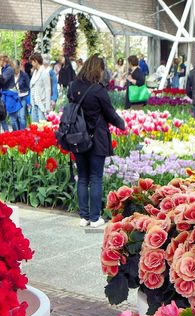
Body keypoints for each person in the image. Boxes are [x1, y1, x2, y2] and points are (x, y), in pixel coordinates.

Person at [67, 55, 126, 229]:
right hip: (96, 138)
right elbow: (110, 113)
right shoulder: (98, 90)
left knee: (83, 177)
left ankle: (84, 216)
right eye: (102, 70)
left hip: (77, 136)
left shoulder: (73, 86)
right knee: (95, 177)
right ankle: (95, 218)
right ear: (97, 70)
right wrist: (122, 124)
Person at [4, 59, 28, 131]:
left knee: (22, 116)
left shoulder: (24, 75)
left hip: (22, 97)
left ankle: (23, 132)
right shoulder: (10, 75)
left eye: (16, 69)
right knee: (14, 117)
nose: (15, 71)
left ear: (19, 67)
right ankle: (17, 132)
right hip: (13, 98)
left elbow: (28, 87)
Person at [28, 53, 52, 123]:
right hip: (34, 103)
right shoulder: (35, 72)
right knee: (34, 126)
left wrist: (47, 107)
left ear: (36, 61)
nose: (31, 64)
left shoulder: (44, 72)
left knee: (42, 126)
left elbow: (48, 89)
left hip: (42, 104)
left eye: (32, 62)